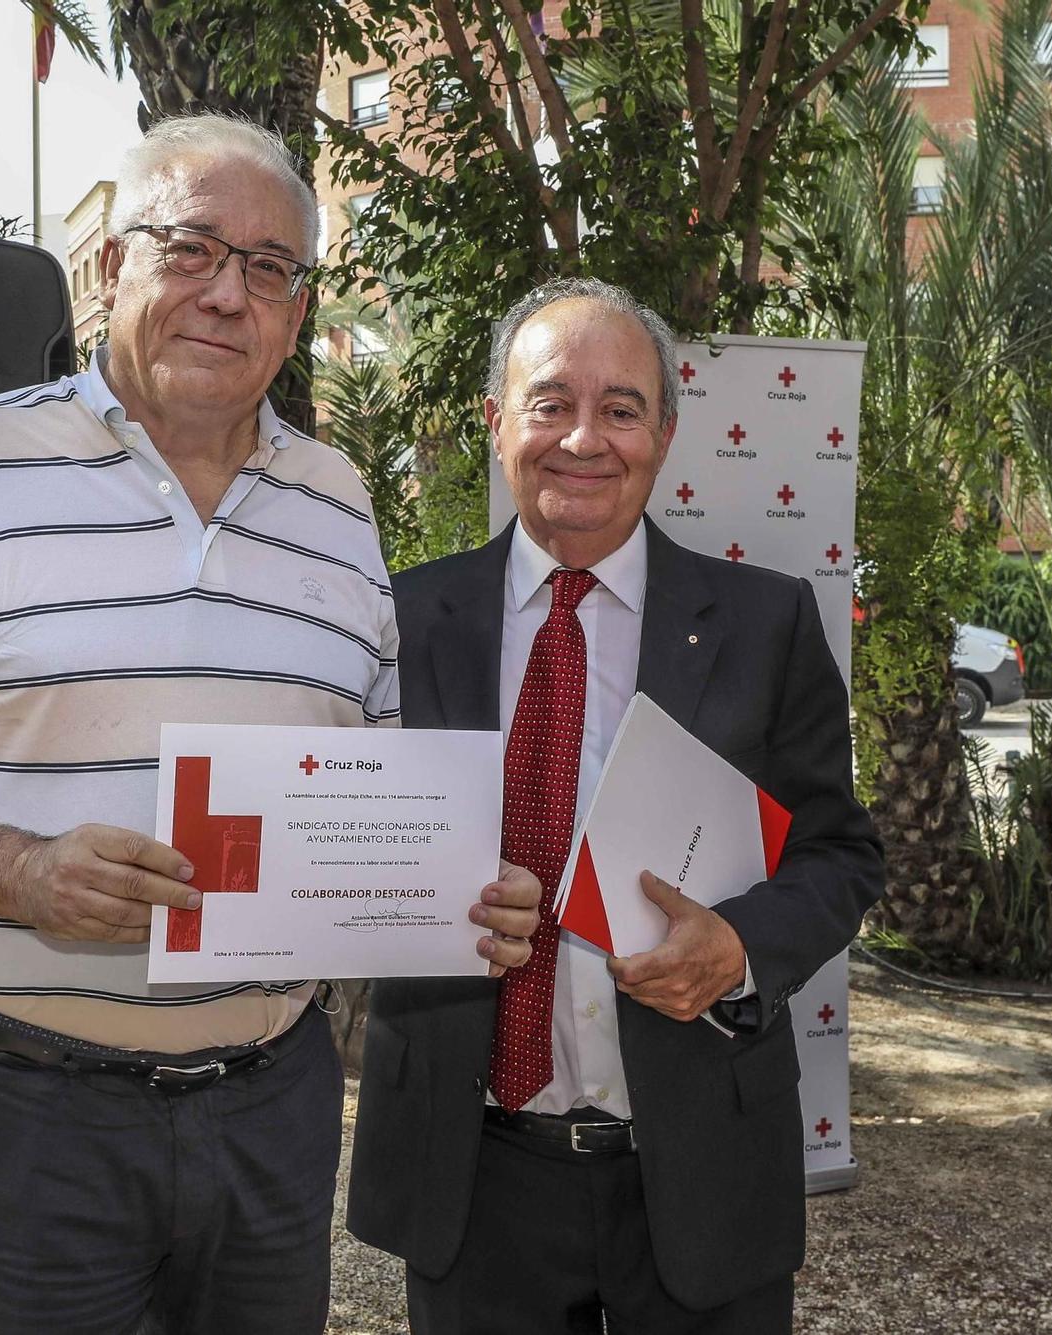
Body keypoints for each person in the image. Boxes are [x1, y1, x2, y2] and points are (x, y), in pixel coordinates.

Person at [0, 113, 540, 1335]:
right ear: (107, 268)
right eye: (189, 249)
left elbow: (369, 776)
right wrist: (20, 873)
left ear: (296, 311)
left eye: (268, 268)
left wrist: (448, 892)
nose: (228, 294)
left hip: (272, 1110)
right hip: (30, 1119)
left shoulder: (337, 504)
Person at [346, 278, 883, 1333]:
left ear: (665, 434)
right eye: (549, 402)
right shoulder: (402, 619)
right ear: (497, 422)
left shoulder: (765, 623)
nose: (582, 437)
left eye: (620, 407)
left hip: (696, 1165)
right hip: (470, 1169)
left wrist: (734, 947)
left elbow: (838, 855)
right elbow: (345, 846)